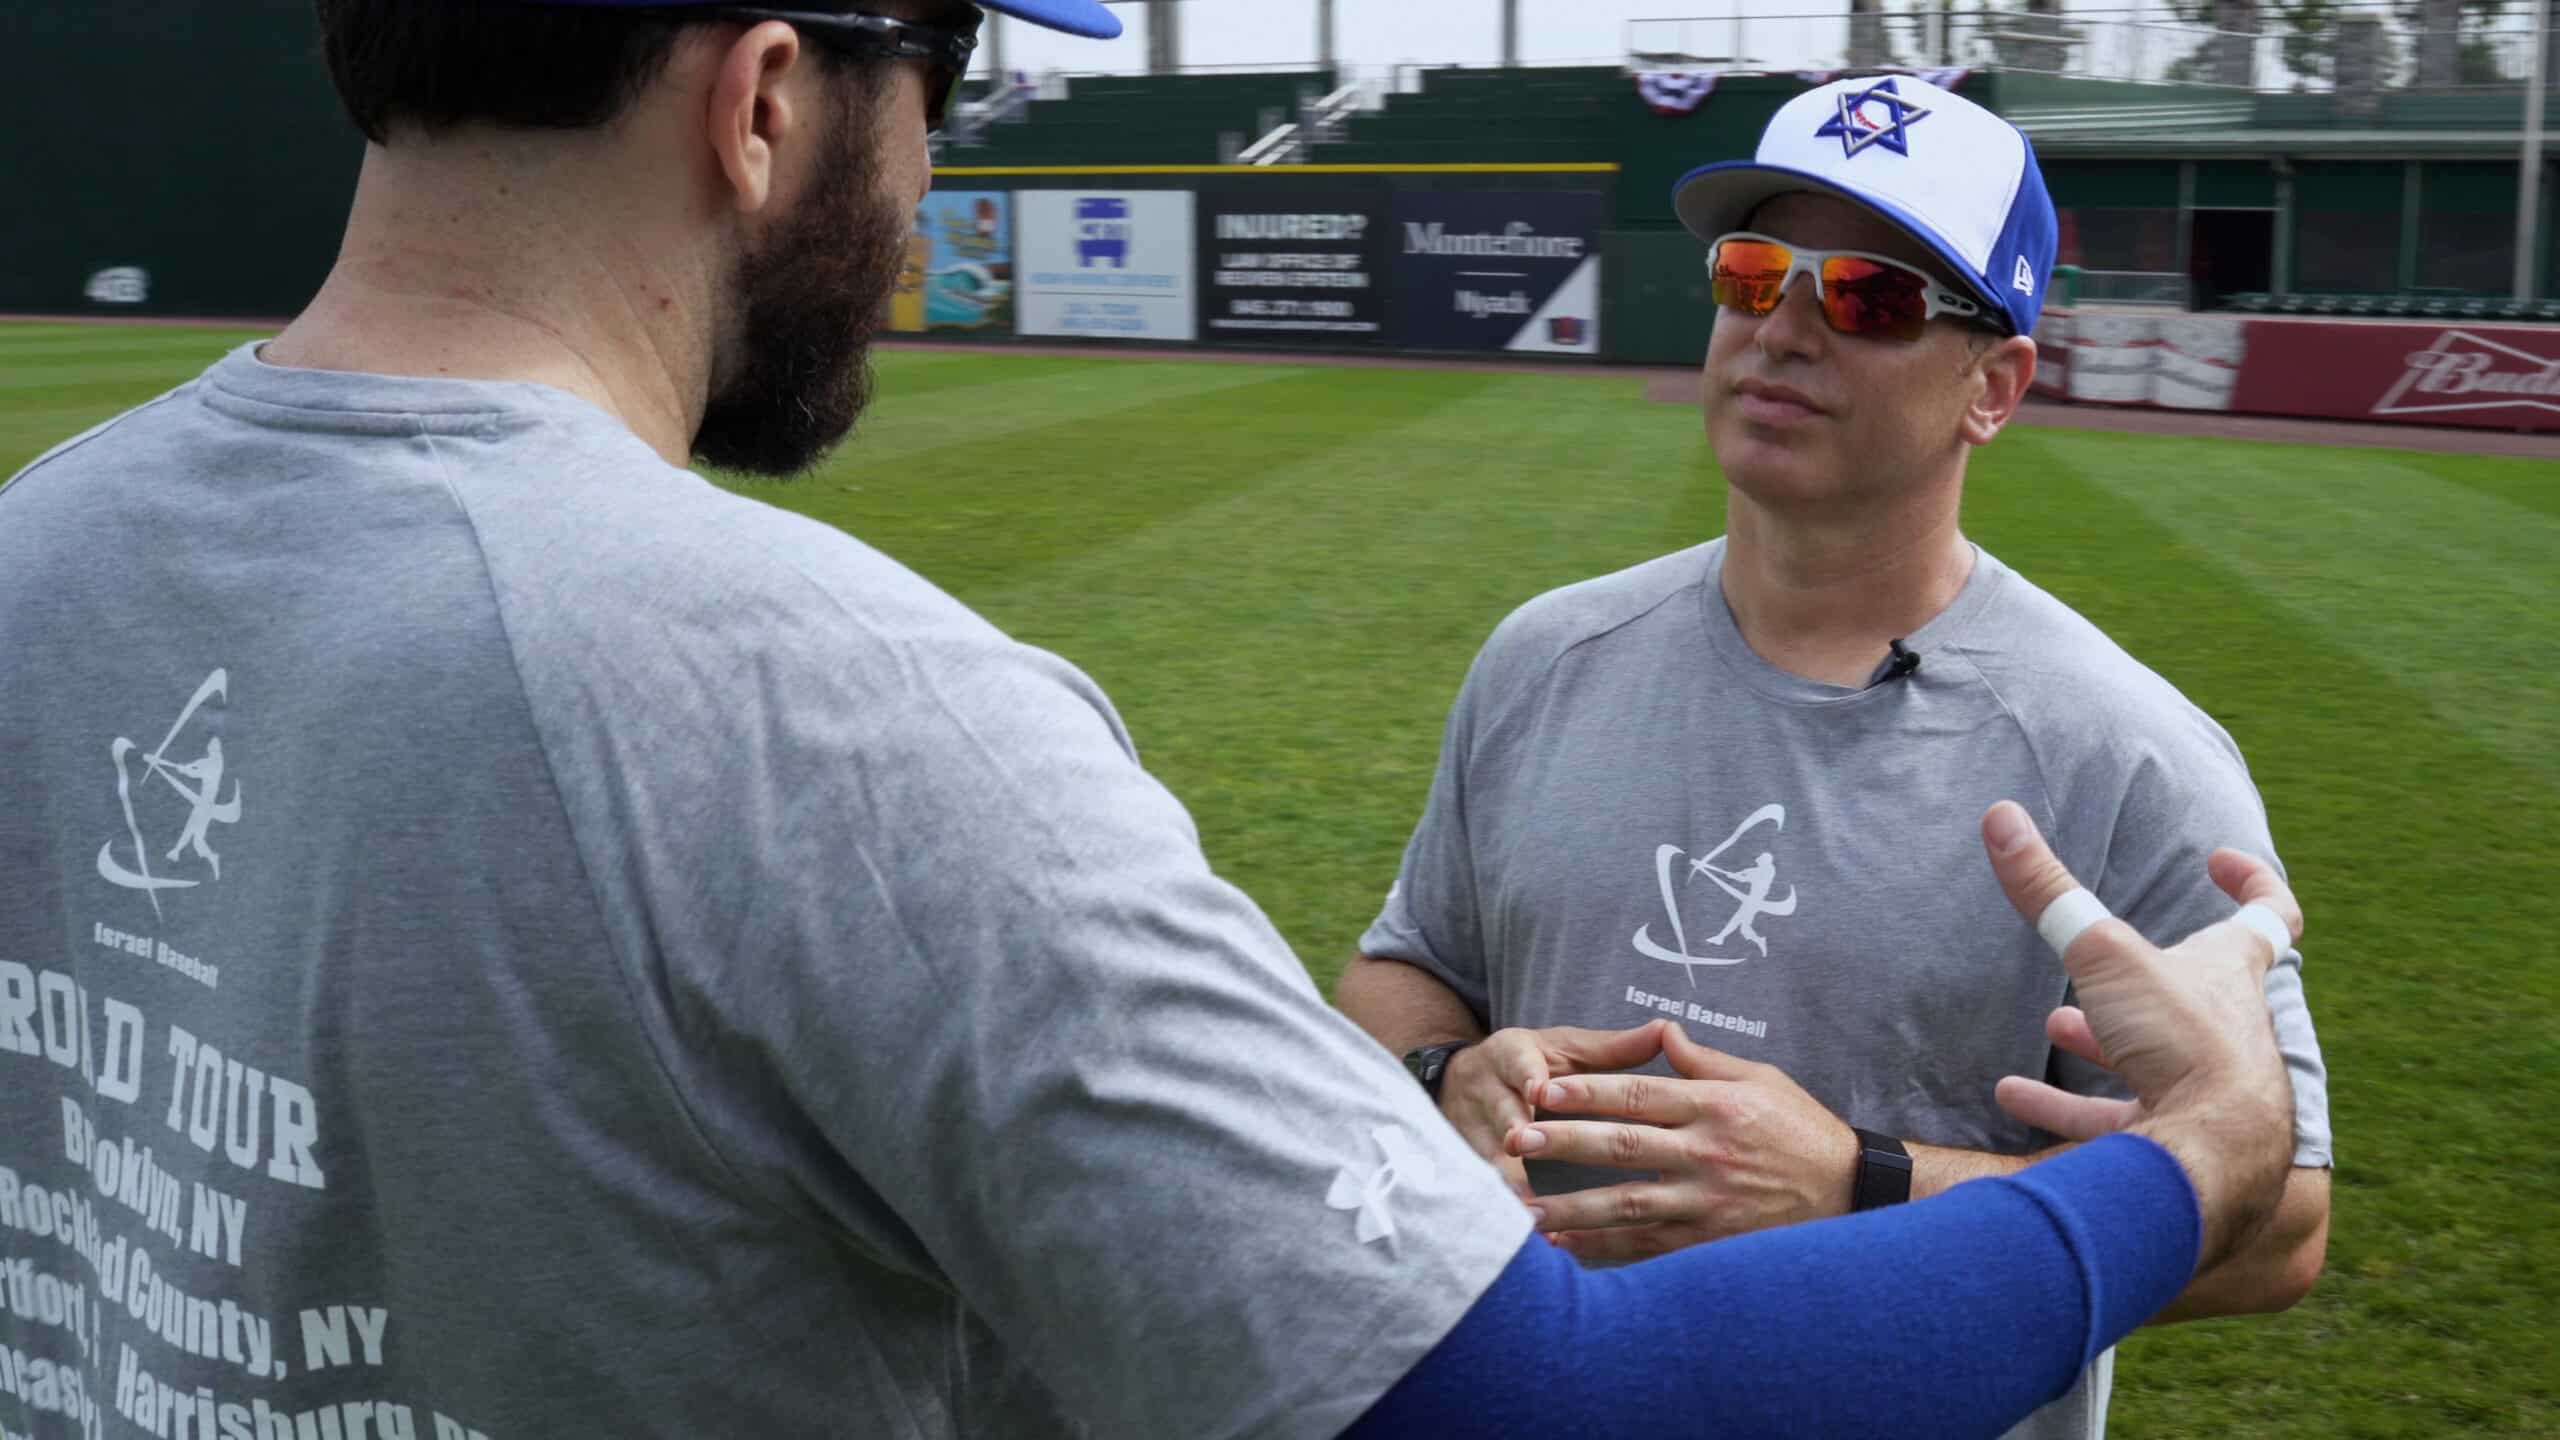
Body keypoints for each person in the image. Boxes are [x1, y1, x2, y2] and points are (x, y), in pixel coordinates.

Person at [0, 11, 2299, 1436]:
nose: (930, 179)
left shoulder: (37, 553)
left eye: (1862, 295)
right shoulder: (846, 711)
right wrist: (2172, 1162)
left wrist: (1884, 1177)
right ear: (766, 99)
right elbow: (1523, 1407)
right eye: (940, 83)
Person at [1338, 74, 2334, 1440]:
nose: (1783, 330)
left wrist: (1863, 1183)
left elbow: (2282, 1225)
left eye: (1868, 298)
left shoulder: (2128, 753)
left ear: (1994, 387)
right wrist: (1445, 1076)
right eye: (1753, 276)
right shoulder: (1546, 654)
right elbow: (1403, 967)